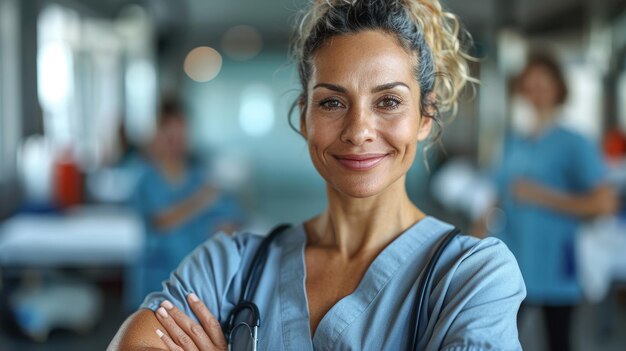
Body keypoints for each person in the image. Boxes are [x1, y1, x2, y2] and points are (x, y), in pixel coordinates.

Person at [109, 1, 526, 349]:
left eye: (389, 101)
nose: (359, 130)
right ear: (303, 118)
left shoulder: (472, 277)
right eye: (331, 103)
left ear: (425, 116)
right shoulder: (228, 268)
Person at [487, 52, 618, 350]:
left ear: (559, 87)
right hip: (512, 259)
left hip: (555, 263)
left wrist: (542, 196)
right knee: (496, 339)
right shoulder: (513, 140)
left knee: (558, 341)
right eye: (528, 83)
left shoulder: (575, 142)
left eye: (542, 82)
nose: (535, 90)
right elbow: (498, 195)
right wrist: (476, 232)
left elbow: (604, 204)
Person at [127, 99, 244, 309]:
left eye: (180, 135)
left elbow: (230, 218)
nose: (176, 142)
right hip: (157, 284)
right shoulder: (146, 179)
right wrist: (201, 200)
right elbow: (162, 220)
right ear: (158, 135)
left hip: (198, 285)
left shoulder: (200, 178)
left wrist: (226, 230)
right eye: (170, 136)